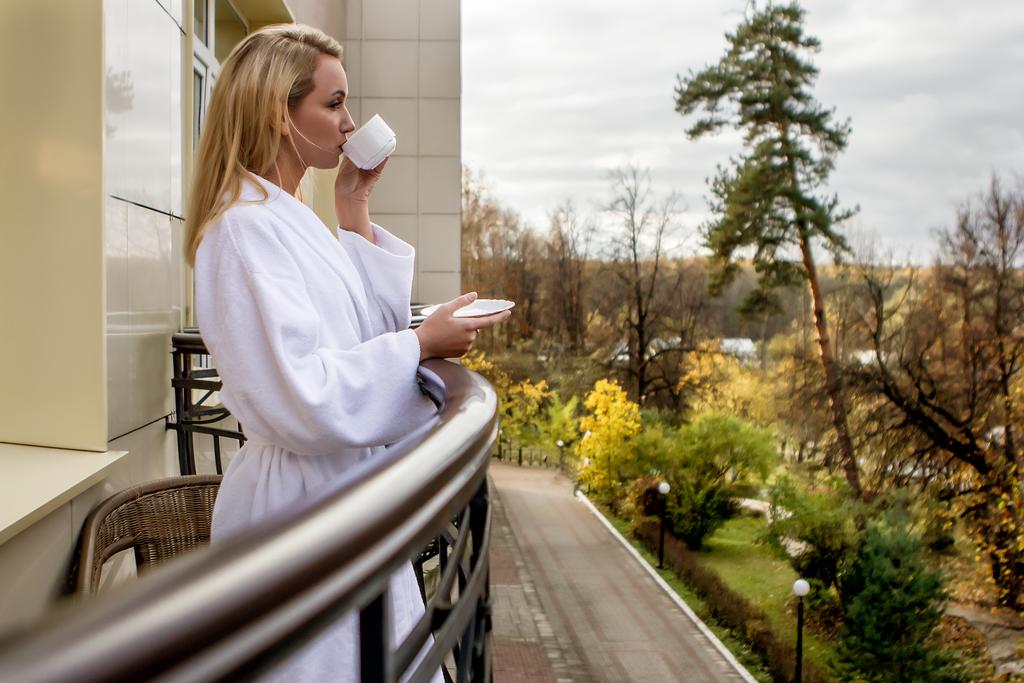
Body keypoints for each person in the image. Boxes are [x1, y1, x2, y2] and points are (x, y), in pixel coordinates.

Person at [185, 23, 510, 682]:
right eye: (333, 103)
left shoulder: (286, 214)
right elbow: (301, 395)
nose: (349, 122)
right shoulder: (244, 229)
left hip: (336, 490)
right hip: (295, 510)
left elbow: (361, 335)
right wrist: (421, 343)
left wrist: (354, 205)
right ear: (278, 112)